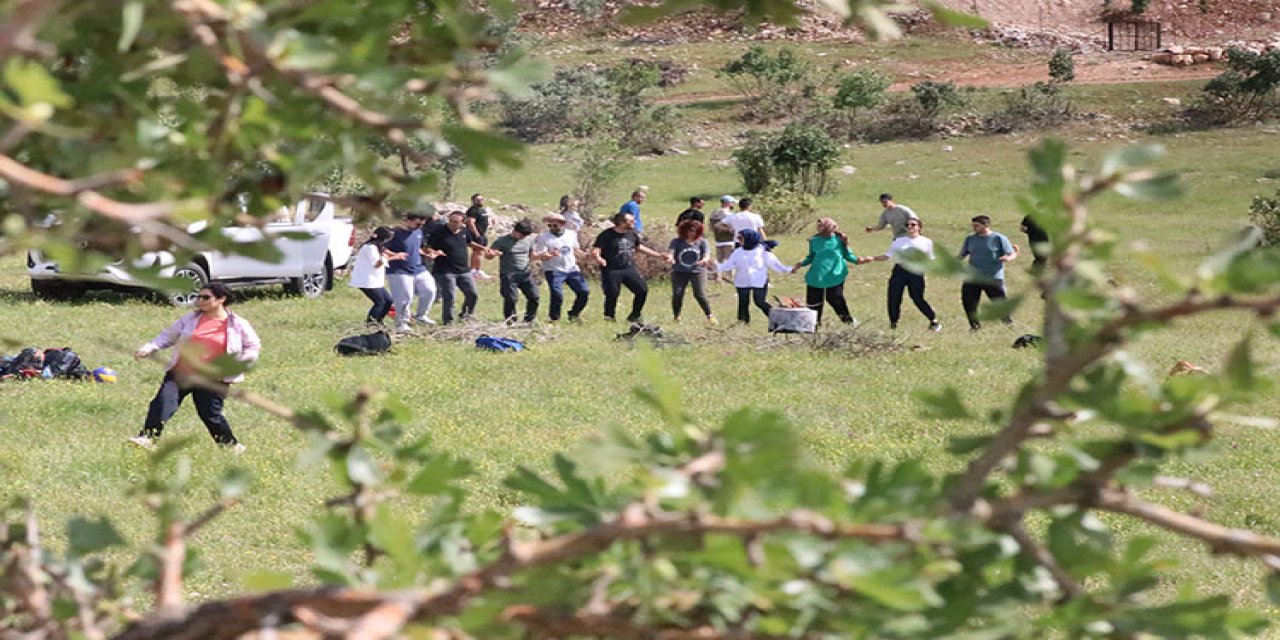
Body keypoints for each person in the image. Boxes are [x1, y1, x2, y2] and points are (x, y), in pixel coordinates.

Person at [129, 283, 260, 453]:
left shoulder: (237, 324)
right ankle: (148, 437)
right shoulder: (191, 319)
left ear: (221, 299)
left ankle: (231, 446)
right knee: (162, 403)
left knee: (210, 416)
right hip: (181, 373)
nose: (200, 301)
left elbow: (253, 346)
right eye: (199, 297)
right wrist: (149, 347)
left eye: (206, 297)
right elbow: (167, 336)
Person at [590, 212, 670, 322]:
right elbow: (596, 250)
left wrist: (658, 255)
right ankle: (609, 317)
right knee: (612, 294)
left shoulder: (632, 233)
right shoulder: (606, 235)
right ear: (622, 223)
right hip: (611, 269)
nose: (634, 222)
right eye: (631, 221)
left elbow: (638, 247)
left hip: (628, 267)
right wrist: (599, 258)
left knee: (642, 290)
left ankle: (635, 315)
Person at [870, 218, 941, 331]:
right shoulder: (899, 241)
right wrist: (872, 258)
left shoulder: (926, 242)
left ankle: (933, 320)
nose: (910, 227)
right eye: (908, 225)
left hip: (916, 271)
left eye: (913, 225)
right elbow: (887, 256)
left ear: (919, 227)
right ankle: (893, 323)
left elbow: (931, 259)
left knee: (917, 297)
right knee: (894, 297)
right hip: (900, 270)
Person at [792, 218, 866, 325]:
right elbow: (811, 256)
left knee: (836, 299)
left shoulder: (840, 240)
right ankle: (813, 326)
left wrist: (858, 261)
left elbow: (847, 255)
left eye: (820, 226)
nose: (818, 228)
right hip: (817, 275)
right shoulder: (814, 241)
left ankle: (848, 321)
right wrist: (800, 264)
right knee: (814, 303)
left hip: (834, 274)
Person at [429, 210, 493, 325]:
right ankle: (448, 321)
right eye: (451, 221)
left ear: (462, 223)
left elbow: (469, 243)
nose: (452, 223)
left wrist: (483, 248)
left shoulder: (464, 231)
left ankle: (466, 316)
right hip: (445, 270)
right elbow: (427, 247)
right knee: (450, 297)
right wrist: (434, 252)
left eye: (456, 222)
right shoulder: (438, 232)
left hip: (464, 270)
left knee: (472, 294)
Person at [717, 229, 791, 324]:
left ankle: (777, 319)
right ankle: (742, 322)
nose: (739, 241)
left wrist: (789, 269)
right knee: (743, 302)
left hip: (759, 280)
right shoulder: (738, 252)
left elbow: (775, 265)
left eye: (741, 238)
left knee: (759, 301)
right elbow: (728, 265)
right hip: (742, 281)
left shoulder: (762, 251)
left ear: (749, 239)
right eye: (738, 238)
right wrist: (714, 266)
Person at [959, 215, 1016, 331]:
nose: (974, 228)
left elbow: (1012, 253)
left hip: (992, 277)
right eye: (973, 225)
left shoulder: (999, 238)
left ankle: (1008, 323)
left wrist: (1008, 258)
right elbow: (962, 254)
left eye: (977, 226)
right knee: (968, 302)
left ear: (986, 225)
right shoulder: (970, 239)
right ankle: (974, 326)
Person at [385, 210, 437, 333]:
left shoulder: (418, 231)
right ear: (408, 220)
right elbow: (381, 248)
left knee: (430, 290)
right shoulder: (394, 233)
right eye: (417, 224)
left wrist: (425, 254)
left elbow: (416, 247)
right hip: (398, 270)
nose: (420, 227)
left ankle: (421, 316)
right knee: (405, 297)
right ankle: (401, 323)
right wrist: (395, 254)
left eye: (422, 224)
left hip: (418, 268)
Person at [535, 212, 590, 323]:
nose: (552, 228)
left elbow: (575, 250)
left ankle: (574, 314)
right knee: (557, 294)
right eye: (549, 225)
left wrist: (586, 256)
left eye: (555, 225)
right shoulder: (544, 237)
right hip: (553, 270)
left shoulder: (571, 234)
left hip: (571, 269)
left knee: (584, 291)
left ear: (562, 224)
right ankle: (554, 318)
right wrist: (547, 255)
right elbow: (541, 254)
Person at [348, 226, 402, 326]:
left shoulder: (377, 246)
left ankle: (379, 320)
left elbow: (385, 251)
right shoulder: (370, 248)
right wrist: (392, 258)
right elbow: (377, 264)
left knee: (388, 301)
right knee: (380, 302)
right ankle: (371, 323)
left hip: (375, 281)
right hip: (366, 281)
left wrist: (396, 254)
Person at [488, 219, 540, 324]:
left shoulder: (529, 240)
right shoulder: (501, 241)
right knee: (511, 298)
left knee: (534, 296)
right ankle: (511, 321)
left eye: (525, 236)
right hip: (509, 274)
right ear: (515, 231)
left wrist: (543, 256)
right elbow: (488, 255)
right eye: (522, 235)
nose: (523, 237)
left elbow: (532, 255)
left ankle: (529, 320)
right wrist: (492, 254)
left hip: (525, 274)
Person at [668, 219, 717, 325]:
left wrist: (705, 259)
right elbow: (671, 252)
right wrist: (670, 258)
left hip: (697, 271)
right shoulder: (676, 242)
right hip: (679, 271)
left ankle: (710, 316)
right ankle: (677, 316)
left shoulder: (702, 242)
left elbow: (707, 254)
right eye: (689, 230)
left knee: (700, 294)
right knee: (677, 294)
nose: (691, 233)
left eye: (694, 230)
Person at [708, 195, 738, 281]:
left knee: (719, 260)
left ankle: (718, 277)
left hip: (718, 240)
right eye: (732, 203)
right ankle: (731, 278)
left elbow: (711, 226)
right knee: (730, 260)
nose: (733, 205)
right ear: (728, 203)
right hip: (729, 239)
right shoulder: (729, 214)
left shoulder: (714, 212)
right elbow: (733, 226)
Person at [465, 193, 493, 280]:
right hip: (476, 234)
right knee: (479, 252)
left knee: (476, 252)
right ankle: (478, 271)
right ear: (473, 201)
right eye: (477, 199)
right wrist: (476, 234)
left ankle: (473, 270)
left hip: (482, 233)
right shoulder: (473, 210)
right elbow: (470, 222)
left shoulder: (482, 210)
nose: (480, 201)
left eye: (481, 199)